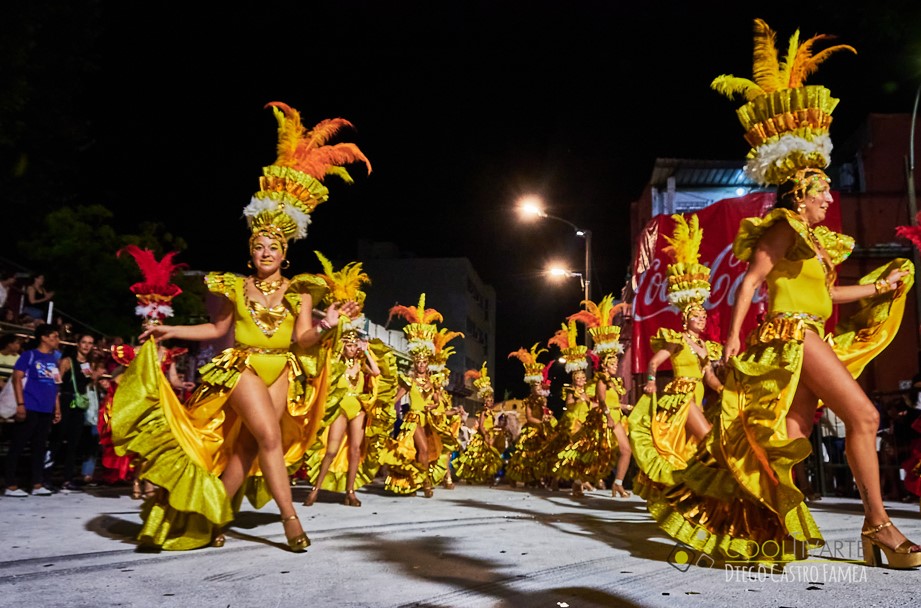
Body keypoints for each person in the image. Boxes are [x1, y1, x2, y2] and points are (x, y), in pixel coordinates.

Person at [652, 19, 920, 568]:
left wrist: (879, 285)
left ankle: (765, 529)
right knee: (864, 416)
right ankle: (880, 526)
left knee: (790, 435)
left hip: (810, 331)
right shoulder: (782, 227)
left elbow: (830, 296)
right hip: (789, 335)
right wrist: (729, 342)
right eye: (822, 190)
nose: (829, 197)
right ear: (800, 194)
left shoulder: (817, 244)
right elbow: (751, 281)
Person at [111, 101, 370, 551]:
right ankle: (291, 520)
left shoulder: (300, 289)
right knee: (268, 436)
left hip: (282, 369)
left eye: (273, 246)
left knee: (245, 452)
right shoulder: (232, 286)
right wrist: (170, 331)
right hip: (244, 367)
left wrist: (327, 326)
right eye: (258, 245)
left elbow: (303, 338)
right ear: (250, 249)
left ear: (285, 251)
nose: (265, 252)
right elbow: (217, 332)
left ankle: (212, 518)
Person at [628, 216, 722, 504]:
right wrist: (653, 384)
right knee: (707, 440)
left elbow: (709, 377)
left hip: (700, 394)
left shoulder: (706, 347)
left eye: (703, 316)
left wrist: (722, 390)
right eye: (696, 316)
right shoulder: (677, 339)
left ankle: (684, 492)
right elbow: (654, 363)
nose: (701, 320)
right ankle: (702, 491)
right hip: (682, 397)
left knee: (690, 448)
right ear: (685, 319)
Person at [302, 254, 382, 508]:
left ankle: (350, 492)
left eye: (352, 343)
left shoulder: (360, 362)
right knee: (332, 450)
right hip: (339, 408)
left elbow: (377, 373)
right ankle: (315, 489)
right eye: (346, 343)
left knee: (355, 451)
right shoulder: (336, 361)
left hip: (357, 408)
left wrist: (366, 350)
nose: (349, 347)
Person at [381, 293, 445, 498]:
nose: (420, 364)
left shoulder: (432, 382)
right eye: (417, 361)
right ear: (414, 362)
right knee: (423, 450)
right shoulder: (408, 380)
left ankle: (415, 480)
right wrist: (383, 406)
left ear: (427, 363)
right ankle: (425, 483)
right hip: (414, 418)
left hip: (429, 419)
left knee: (429, 451)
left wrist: (432, 408)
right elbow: (397, 397)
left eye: (424, 361)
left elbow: (437, 402)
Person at [4, 324, 62, 496]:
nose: (57, 340)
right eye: (54, 336)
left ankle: (37, 484)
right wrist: (21, 405)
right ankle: (10, 484)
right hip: (30, 406)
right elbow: (16, 379)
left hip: (46, 409)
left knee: (39, 447)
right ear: (44, 338)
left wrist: (57, 408)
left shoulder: (53, 360)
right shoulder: (29, 356)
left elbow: (56, 385)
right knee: (18, 445)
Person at [56, 332, 103, 490]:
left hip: (79, 405)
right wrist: (56, 406)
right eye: (84, 342)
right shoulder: (67, 361)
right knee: (57, 440)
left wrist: (96, 377)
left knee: (74, 443)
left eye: (90, 343)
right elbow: (57, 383)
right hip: (66, 401)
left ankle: (67, 479)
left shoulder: (87, 365)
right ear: (78, 344)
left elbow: (88, 385)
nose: (87, 346)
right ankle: (43, 477)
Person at [505, 345, 556, 488]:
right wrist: (540, 422)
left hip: (543, 427)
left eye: (539, 385)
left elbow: (546, 412)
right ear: (531, 387)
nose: (538, 388)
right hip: (533, 429)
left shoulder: (543, 399)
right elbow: (529, 417)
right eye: (535, 386)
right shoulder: (529, 401)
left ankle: (542, 477)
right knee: (527, 454)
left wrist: (548, 417)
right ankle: (524, 477)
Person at [453, 364, 504, 485]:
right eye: (488, 400)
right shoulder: (483, 412)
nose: (490, 402)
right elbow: (481, 425)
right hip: (482, 435)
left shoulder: (492, 412)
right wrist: (485, 434)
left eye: (491, 400)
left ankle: (488, 476)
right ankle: (473, 476)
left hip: (490, 434)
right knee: (477, 457)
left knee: (489, 457)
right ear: (484, 401)